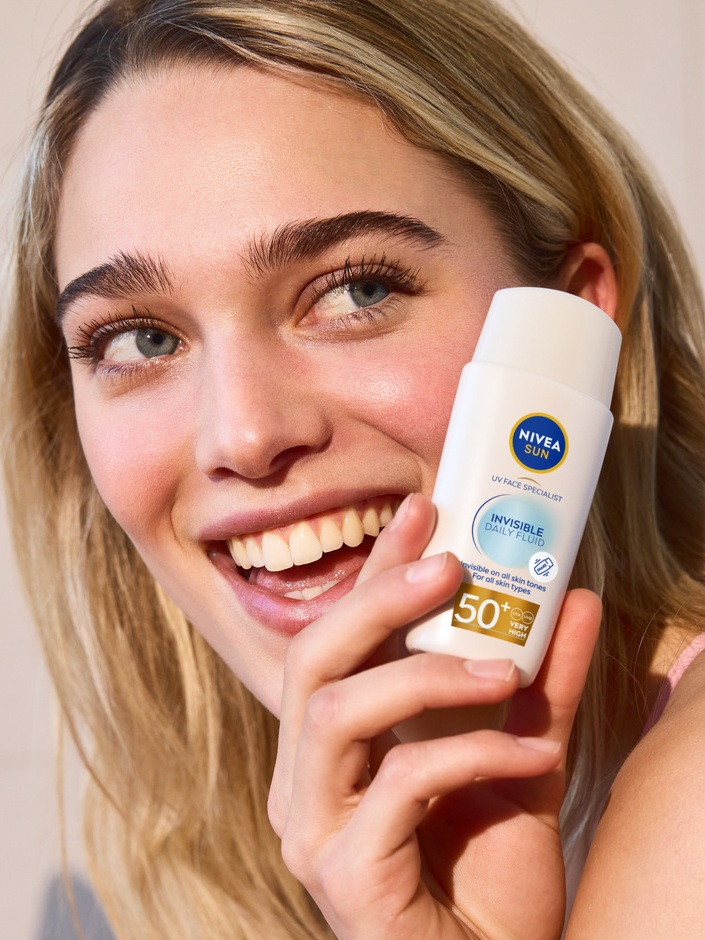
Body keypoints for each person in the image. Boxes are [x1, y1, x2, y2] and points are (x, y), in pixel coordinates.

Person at [2, 0, 705, 936]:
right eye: (141, 339)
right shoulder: (158, 878)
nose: (242, 436)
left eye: (353, 290)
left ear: (571, 319)